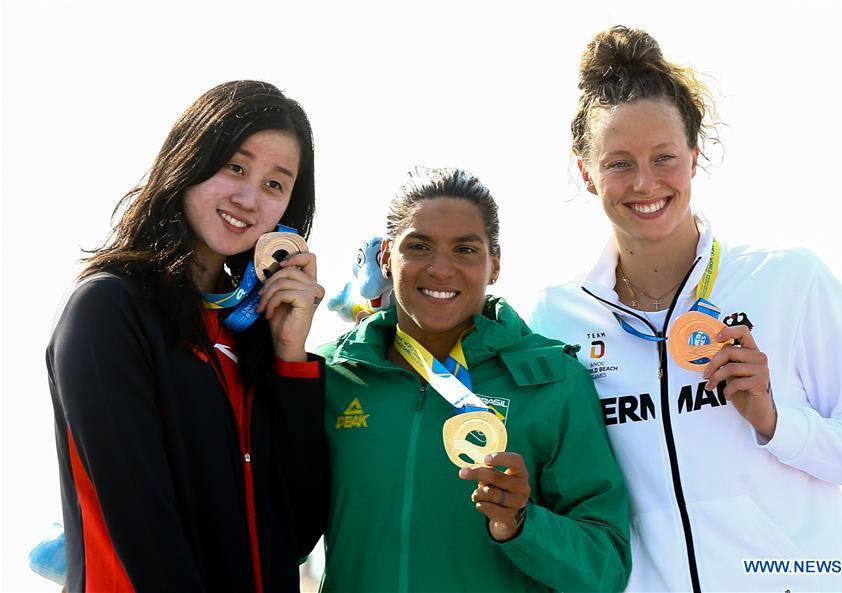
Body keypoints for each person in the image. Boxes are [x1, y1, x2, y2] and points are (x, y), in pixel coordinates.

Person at [528, 25, 842, 592]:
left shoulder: (787, 279)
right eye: (619, 163)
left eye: (665, 157)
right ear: (585, 172)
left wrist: (778, 423)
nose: (645, 182)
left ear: (695, 158)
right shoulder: (555, 320)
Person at [47, 80, 328, 592]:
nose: (248, 198)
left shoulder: (249, 334)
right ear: (189, 160)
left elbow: (298, 532)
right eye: (235, 166)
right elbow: (144, 529)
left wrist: (290, 355)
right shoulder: (108, 309)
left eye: (274, 184)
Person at [317, 166, 631, 592]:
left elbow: (605, 567)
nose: (441, 269)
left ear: (495, 264)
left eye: (465, 250)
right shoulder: (330, 377)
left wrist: (521, 523)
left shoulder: (553, 382)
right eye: (419, 246)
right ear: (387, 258)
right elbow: (273, 535)